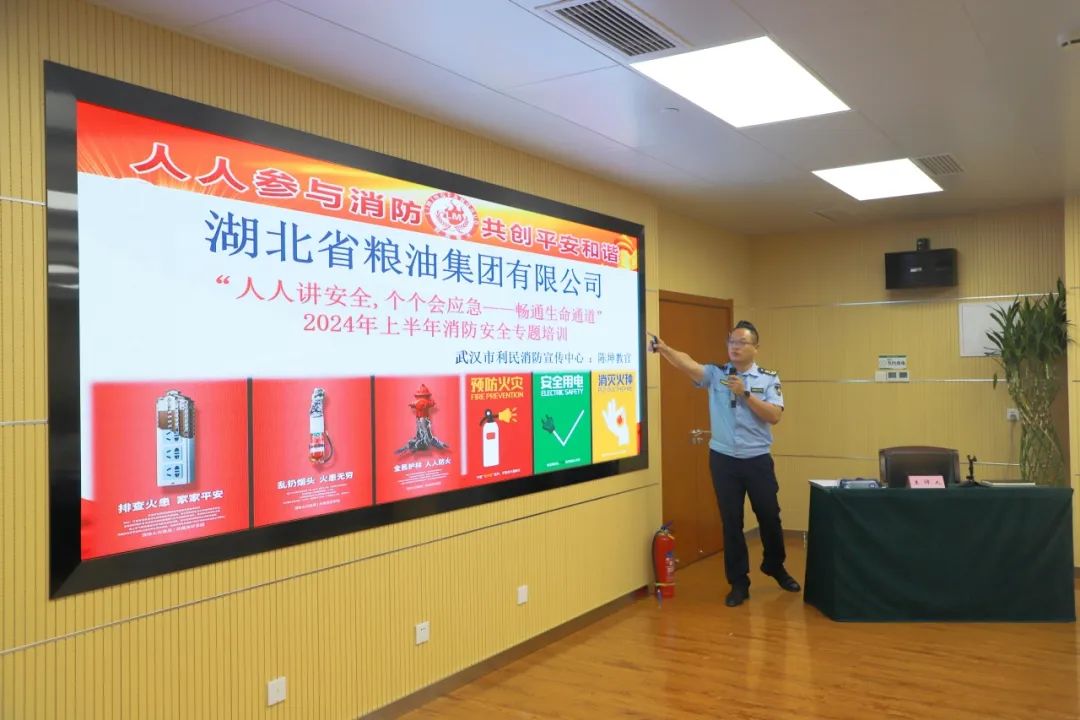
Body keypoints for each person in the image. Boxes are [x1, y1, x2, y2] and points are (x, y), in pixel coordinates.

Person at [649, 320, 800, 607]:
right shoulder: (717, 374)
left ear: (756, 347)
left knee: (769, 515)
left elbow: (774, 416)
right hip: (723, 460)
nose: (735, 347)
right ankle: (738, 583)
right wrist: (664, 349)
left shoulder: (768, 378)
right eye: (731, 341)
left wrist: (745, 393)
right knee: (732, 522)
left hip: (757, 459)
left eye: (742, 342)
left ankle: (774, 565)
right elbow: (688, 365)